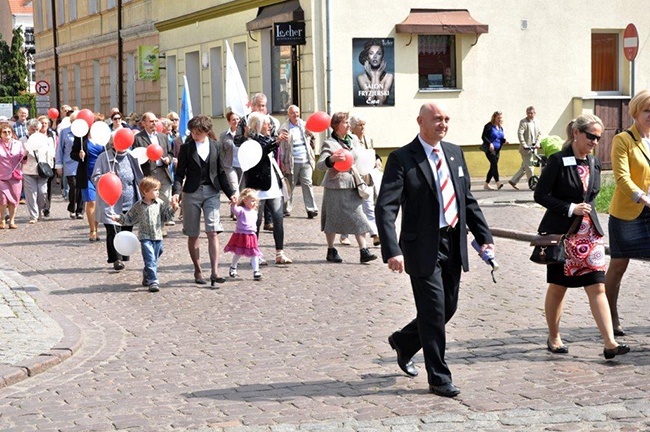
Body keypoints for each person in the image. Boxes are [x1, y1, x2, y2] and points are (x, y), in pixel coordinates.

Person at [375, 103, 494, 398]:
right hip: (420, 247)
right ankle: (439, 377)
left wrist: (485, 236)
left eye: (446, 119)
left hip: (453, 243)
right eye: (437, 119)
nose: (443, 124)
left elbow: (467, 200)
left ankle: (404, 342)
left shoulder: (454, 153)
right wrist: (392, 249)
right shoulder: (402, 158)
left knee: (447, 308)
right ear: (421, 121)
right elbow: (386, 206)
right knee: (433, 311)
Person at [534, 114, 629, 360]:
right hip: (564, 235)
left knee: (598, 285)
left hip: (590, 235)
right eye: (591, 136)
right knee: (558, 287)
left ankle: (610, 343)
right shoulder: (557, 161)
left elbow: (592, 197)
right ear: (576, 133)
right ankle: (554, 336)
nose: (595, 142)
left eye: (599, 137)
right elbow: (540, 195)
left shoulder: (595, 162)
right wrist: (569, 208)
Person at [171, 115, 237, 286]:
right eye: (192, 132)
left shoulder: (216, 146)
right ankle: (198, 270)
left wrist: (231, 194)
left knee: (213, 231)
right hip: (191, 193)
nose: (194, 135)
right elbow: (179, 174)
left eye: (198, 132)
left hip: (211, 192)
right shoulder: (186, 148)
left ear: (207, 132)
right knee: (193, 233)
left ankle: (215, 271)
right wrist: (176, 192)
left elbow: (221, 173)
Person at [605, 89, 650, 337]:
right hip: (628, 214)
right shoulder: (623, 139)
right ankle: (610, 314)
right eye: (647, 110)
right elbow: (621, 177)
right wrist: (643, 198)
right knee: (619, 265)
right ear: (635, 112)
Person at [317, 112, 377, 264]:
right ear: (336, 126)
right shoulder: (330, 143)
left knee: (359, 217)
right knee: (331, 219)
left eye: (348, 123)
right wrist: (332, 159)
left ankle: (364, 250)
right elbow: (320, 165)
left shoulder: (353, 140)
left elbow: (361, 156)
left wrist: (373, 161)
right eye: (345, 123)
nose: (349, 125)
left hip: (352, 184)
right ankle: (331, 250)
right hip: (335, 186)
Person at [111, 176, 177, 293]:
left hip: (157, 235)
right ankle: (153, 281)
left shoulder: (160, 203)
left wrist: (173, 209)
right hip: (145, 236)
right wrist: (119, 218)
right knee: (150, 258)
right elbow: (129, 218)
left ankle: (147, 273)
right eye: (155, 190)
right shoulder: (139, 205)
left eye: (158, 190)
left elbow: (166, 217)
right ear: (146, 191)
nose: (157, 192)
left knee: (157, 254)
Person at [245, 112, 293, 265]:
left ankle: (280, 252)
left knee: (278, 219)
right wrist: (276, 141)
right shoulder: (252, 142)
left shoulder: (268, 139)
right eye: (267, 124)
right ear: (258, 126)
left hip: (273, 185)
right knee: (256, 221)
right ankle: (255, 253)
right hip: (258, 187)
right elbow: (261, 152)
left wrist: (277, 141)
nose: (270, 126)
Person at [92, 142, 144, 271]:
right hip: (110, 202)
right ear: (113, 144)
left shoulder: (132, 156)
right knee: (113, 230)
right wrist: (105, 178)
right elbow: (95, 177)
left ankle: (124, 254)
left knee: (126, 229)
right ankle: (116, 259)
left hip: (130, 200)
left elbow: (138, 176)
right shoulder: (103, 157)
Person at [133, 112, 175, 234]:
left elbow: (171, 153)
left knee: (165, 199)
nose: (154, 123)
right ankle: (154, 226)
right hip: (149, 173)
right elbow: (135, 156)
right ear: (144, 123)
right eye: (151, 121)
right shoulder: (138, 138)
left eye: (155, 121)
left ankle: (161, 225)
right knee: (151, 200)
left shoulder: (163, 137)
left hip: (163, 171)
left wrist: (169, 159)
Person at [279, 105, 318, 219]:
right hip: (292, 161)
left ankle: (311, 209)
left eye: (297, 113)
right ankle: (286, 209)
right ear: (288, 114)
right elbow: (281, 148)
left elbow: (313, 140)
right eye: (293, 113)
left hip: (306, 159)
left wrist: (311, 134)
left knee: (307, 183)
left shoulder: (305, 125)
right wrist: (282, 163)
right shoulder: (284, 128)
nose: (295, 115)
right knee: (290, 185)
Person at [347, 114, 379, 245]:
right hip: (354, 177)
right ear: (353, 127)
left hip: (367, 177)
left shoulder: (368, 139)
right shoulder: (350, 140)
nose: (362, 127)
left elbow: (372, 153)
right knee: (352, 209)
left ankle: (375, 234)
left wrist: (377, 160)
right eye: (360, 125)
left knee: (369, 207)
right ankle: (344, 234)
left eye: (364, 125)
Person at [71, 119, 105, 241]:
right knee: (91, 201)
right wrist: (79, 155)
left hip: (101, 174)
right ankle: (93, 230)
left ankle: (98, 226)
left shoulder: (103, 138)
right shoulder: (81, 138)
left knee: (100, 203)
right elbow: (72, 153)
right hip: (86, 174)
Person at [224, 188, 263, 281]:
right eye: (252, 201)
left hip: (251, 235)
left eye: (255, 201)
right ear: (245, 200)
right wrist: (233, 204)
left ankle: (256, 271)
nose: (254, 203)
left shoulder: (255, 211)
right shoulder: (241, 210)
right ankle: (233, 266)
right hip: (241, 234)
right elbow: (235, 210)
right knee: (238, 252)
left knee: (254, 253)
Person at [21, 119, 54, 224]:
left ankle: (40, 209)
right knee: (31, 194)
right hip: (28, 170)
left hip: (42, 170)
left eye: (37, 129)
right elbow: (20, 158)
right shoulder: (23, 140)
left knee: (42, 192)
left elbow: (50, 154)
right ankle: (33, 215)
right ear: (28, 130)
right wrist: (25, 154)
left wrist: (50, 167)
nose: (35, 132)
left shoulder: (46, 139)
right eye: (32, 129)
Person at [55, 111, 84, 219]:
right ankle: (72, 207)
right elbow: (60, 149)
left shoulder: (84, 132)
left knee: (81, 186)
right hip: (69, 163)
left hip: (81, 163)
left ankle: (80, 210)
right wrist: (58, 164)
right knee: (73, 186)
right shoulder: (65, 132)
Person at [0, 123, 26, 229]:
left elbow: (22, 159)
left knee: (14, 200)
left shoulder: (18, 144)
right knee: (3, 199)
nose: (7, 134)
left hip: (15, 176)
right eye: (4, 132)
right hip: (1, 176)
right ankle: (2, 219)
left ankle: (12, 220)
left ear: (12, 133)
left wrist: (25, 156)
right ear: (0, 134)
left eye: (9, 132)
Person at [509, 106, 541, 189]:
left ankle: (513, 180)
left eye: (531, 113)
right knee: (530, 166)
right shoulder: (523, 122)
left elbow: (539, 134)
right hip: (526, 149)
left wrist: (537, 143)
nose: (530, 115)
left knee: (525, 166)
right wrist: (524, 144)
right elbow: (520, 134)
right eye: (528, 113)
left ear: (534, 113)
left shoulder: (537, 122)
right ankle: (532, 184)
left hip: (534, 147)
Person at [356, 39, 394, 106]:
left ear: (382, 57)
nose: (375, 56)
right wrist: (374, 76)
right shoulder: (361, 78)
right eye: (371, 53)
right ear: (367, 57)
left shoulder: (389, 76)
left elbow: (380, 102)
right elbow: (370, 102)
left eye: (378, 53)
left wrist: (377, 75)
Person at [481, 111, 507, 190]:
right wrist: (490, 144)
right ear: (494, 118)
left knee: (492, 166)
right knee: (494, 164)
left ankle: (486, 184)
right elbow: (483, 137)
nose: (500, 119)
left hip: (497, 150)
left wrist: (504, 141)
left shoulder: (500, 127)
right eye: (498, 118)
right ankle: (498, 182)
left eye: (501, 118)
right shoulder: (489, 126)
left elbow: (500, 138)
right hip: (490, 149)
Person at [37, 116, 57, 217]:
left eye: (45, 123)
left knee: (49, 186)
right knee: (41, 187)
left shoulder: (52, 134)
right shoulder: (36, 135)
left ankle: (47, 207)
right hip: (40, 164)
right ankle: (41, 206)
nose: (44, 125)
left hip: (50, 163)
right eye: (42, 123)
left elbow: (55, 147)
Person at [219, 111, 240, 194]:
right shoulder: (224, 135)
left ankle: (241, 207)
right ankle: (235, 205)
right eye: (234, 120)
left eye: (238, 119)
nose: (236, 121)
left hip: (243, 165)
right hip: (229, 165)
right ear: (229, 122)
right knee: (234, 188)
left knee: (244, 190)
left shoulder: (245, 134)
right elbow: (221, 151)